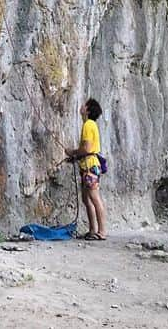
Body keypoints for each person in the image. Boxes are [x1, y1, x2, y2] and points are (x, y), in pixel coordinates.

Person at [65, 98, 108, 240]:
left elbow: (87, 148)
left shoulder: (88, 125)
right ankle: (92, 230)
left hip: (90, 166)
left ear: (87, 110)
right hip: (87, 165)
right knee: (86, 198)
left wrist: (73, 152)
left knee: (94, 197)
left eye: (84, 105)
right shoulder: (89, 124)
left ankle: (101, 231)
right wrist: (76, 157)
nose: (81, 106)